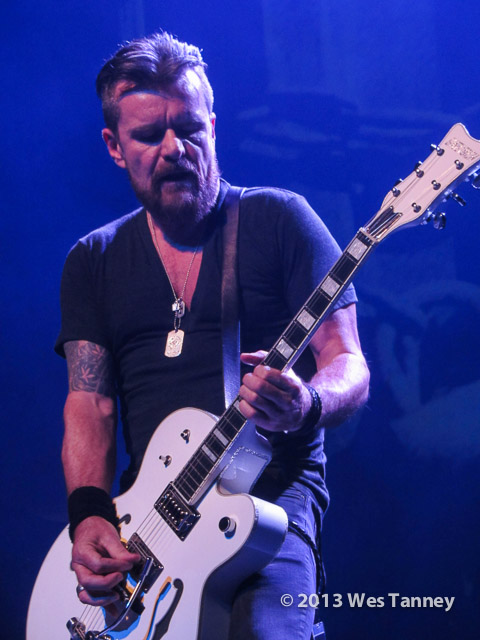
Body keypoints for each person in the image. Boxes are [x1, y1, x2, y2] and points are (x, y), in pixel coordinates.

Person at [55, 31, 370, 640]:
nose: (174, 148)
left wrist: (306, 403)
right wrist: (89, 515)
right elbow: (89, 405)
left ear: (214, 127)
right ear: (114, 146)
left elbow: (348, 361)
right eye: (149, 135)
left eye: (190, 128)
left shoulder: (281, 219)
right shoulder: (93, 261)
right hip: (149, 528)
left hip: (270, 507)